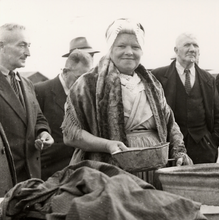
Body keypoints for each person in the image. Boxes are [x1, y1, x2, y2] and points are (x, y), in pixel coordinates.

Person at [62, 18, 192, 185]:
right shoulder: (87, 84)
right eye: (121, 46)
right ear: (110, 49)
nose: (129, 52)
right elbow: (70, 135)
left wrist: (179, 152)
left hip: (154, 169)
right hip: (109, 172)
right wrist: (108, 145)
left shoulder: (152, 84)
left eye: (136, 47)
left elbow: (170, 124)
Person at [152, 32, 219, 164]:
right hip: (170, 149)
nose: (192, 49)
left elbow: (218, 115)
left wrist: (213, 142)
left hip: (204, 149)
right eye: (187, 45)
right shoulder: (158, 76)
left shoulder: (208, 79)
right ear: (176, 50)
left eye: (195, 45)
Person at [0, 23, 54, 183]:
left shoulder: (27, 84)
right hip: (4, 180)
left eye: (29, 46)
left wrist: (43, 133)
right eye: (22, 45)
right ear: (1, 46)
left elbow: (38, 119)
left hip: (30, 177)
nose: (28, 53)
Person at [35, 50, 93, 180]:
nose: (82, 83)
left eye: (86, 78)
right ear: (65, 72)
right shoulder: (40, 90)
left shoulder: (86, 94)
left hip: (78, 169)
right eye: (78, 77)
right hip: (48, 171)